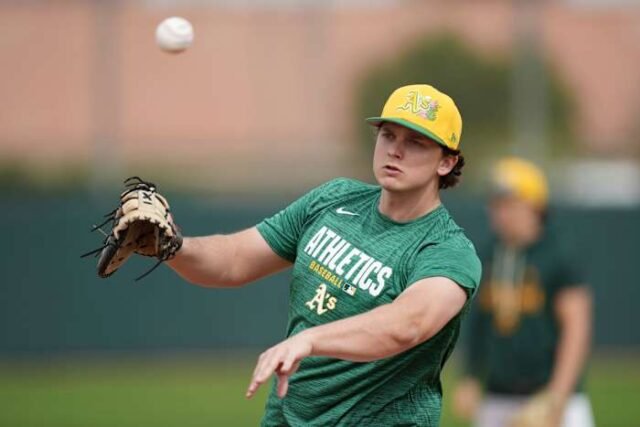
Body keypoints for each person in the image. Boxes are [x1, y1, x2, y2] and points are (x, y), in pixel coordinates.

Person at [167, 84, 481, 426]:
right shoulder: (334, 199)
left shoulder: (448, 250)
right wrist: (172, 246)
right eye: (388, 135)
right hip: (285, 418)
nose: (395, 150)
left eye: (416, 142)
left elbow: (408, 324)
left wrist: (310, 340)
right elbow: (233, 261)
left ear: (446, 162)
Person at [452, 157, 594, 427]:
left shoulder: (558, 255)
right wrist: (470, 375)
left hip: (550, 395)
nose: (499, 213)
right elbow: (478, 323)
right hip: (498, 396)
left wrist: (557, 397)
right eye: (496, 204)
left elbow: (576, 330)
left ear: (535, 206)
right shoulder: (488, 255)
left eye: (509, 204)